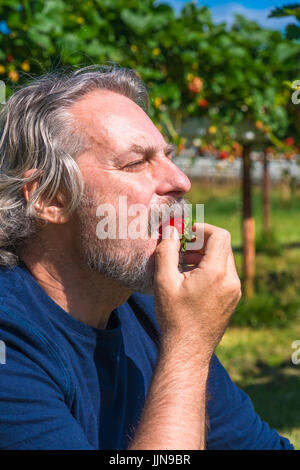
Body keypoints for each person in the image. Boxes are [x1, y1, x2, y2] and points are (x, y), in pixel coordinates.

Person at [0, 65, 293, 450]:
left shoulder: (150, 312)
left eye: (169, 157)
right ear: (49, 199)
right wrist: (188, 345)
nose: (181, 181)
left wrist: (184, 338)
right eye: (136, 163)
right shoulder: (11, 343)